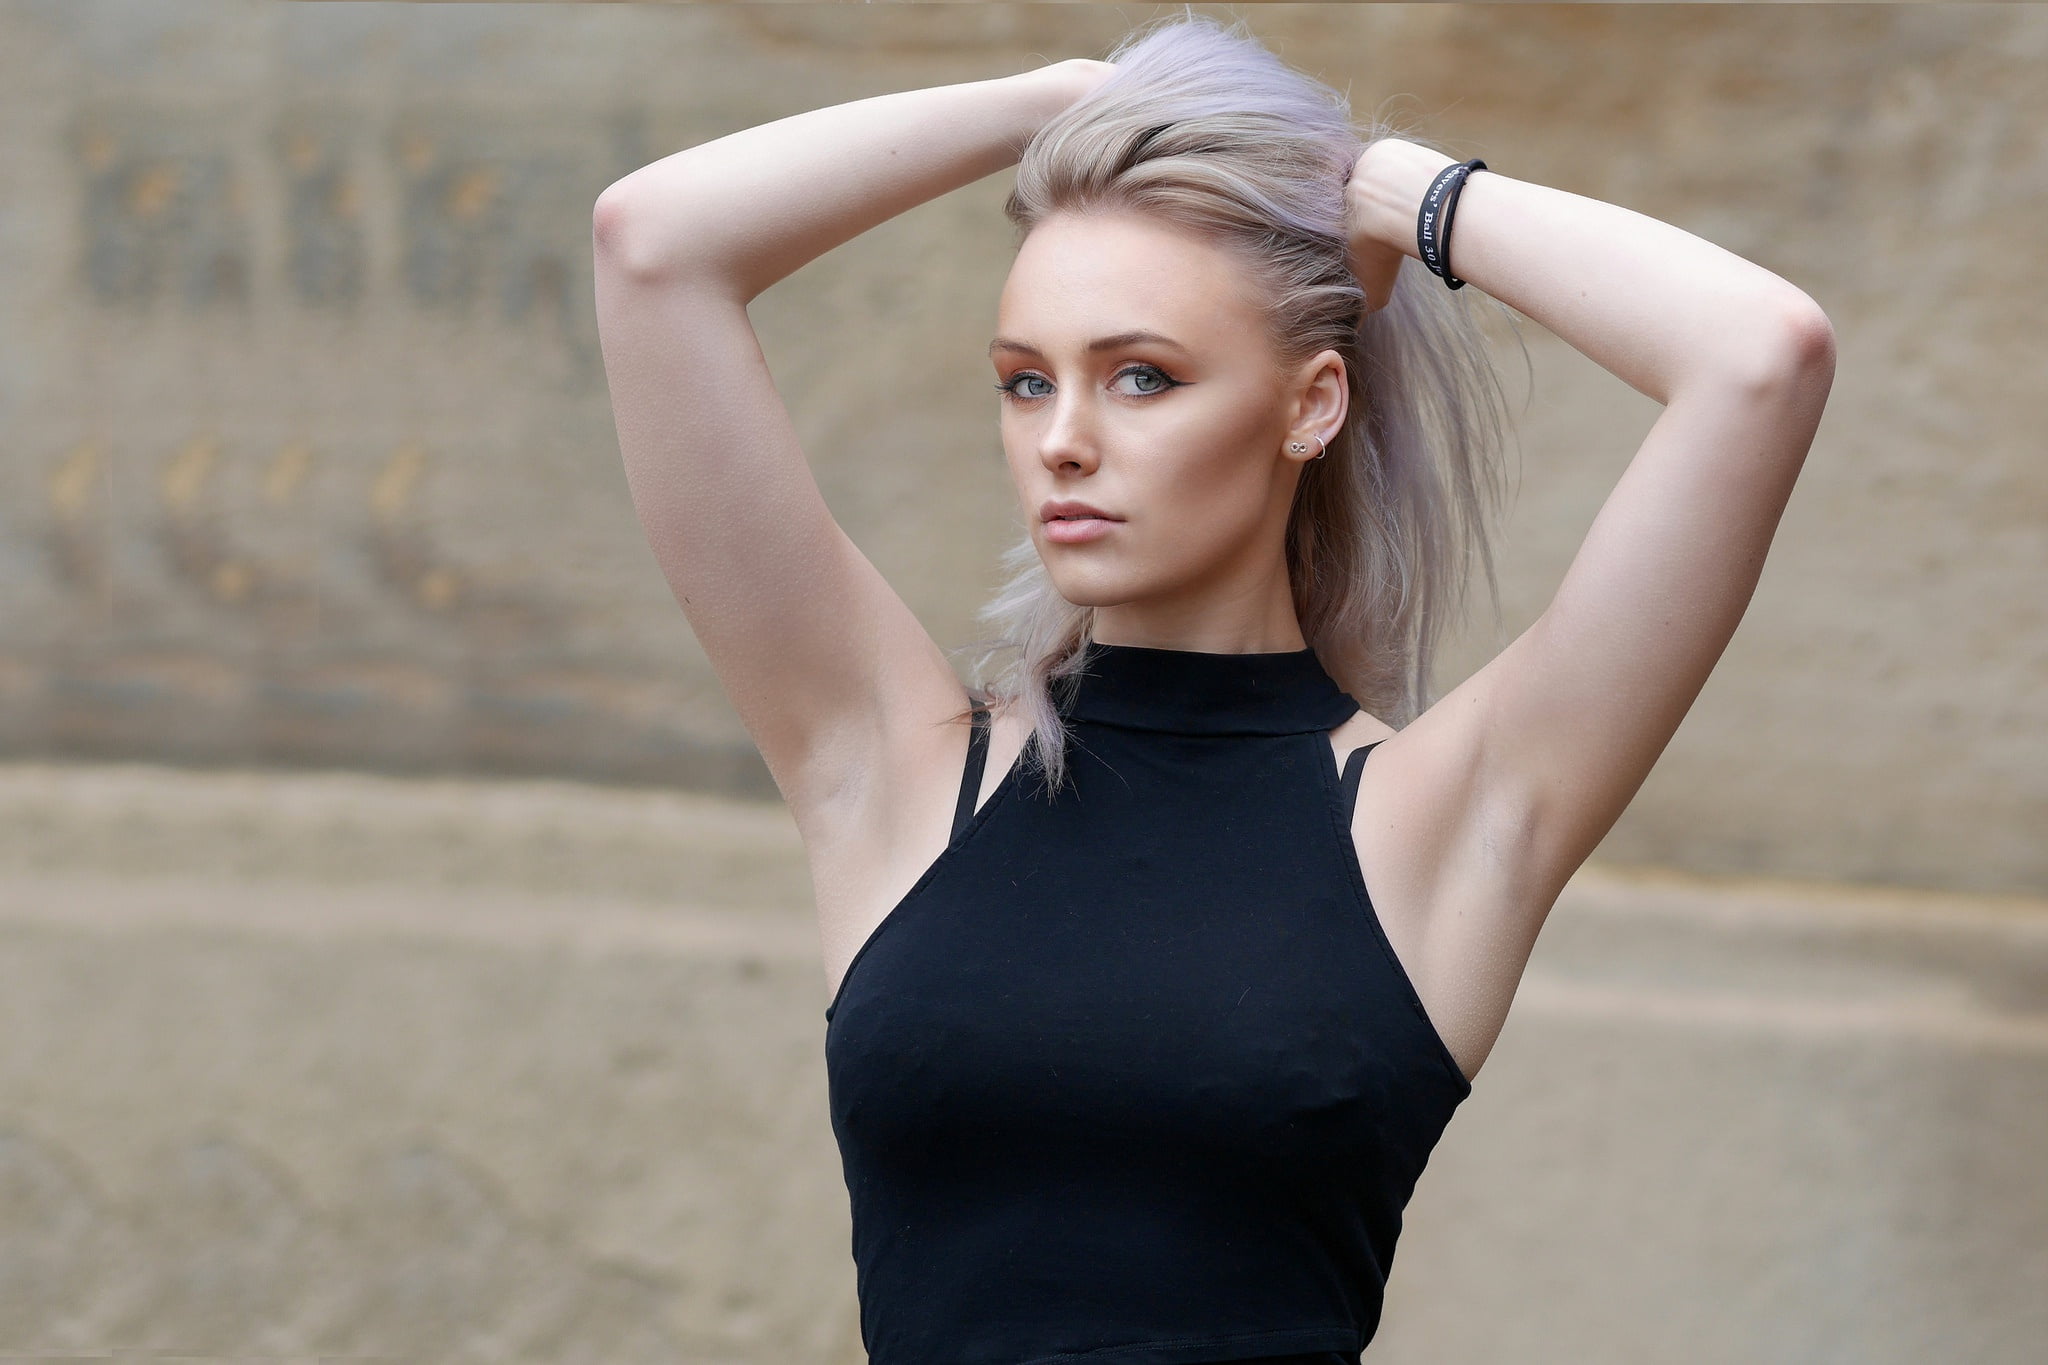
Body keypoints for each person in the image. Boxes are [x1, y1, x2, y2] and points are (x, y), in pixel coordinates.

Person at [592, 11, 1835, 1363]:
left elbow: (1758, 356)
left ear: (1310, 404)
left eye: (1142, 375)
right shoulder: (899, 771)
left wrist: (1385, 182)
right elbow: (652, 248)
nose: (1062, 442)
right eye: (1024, 382)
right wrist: (1067, 104)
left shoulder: (1427, 823)